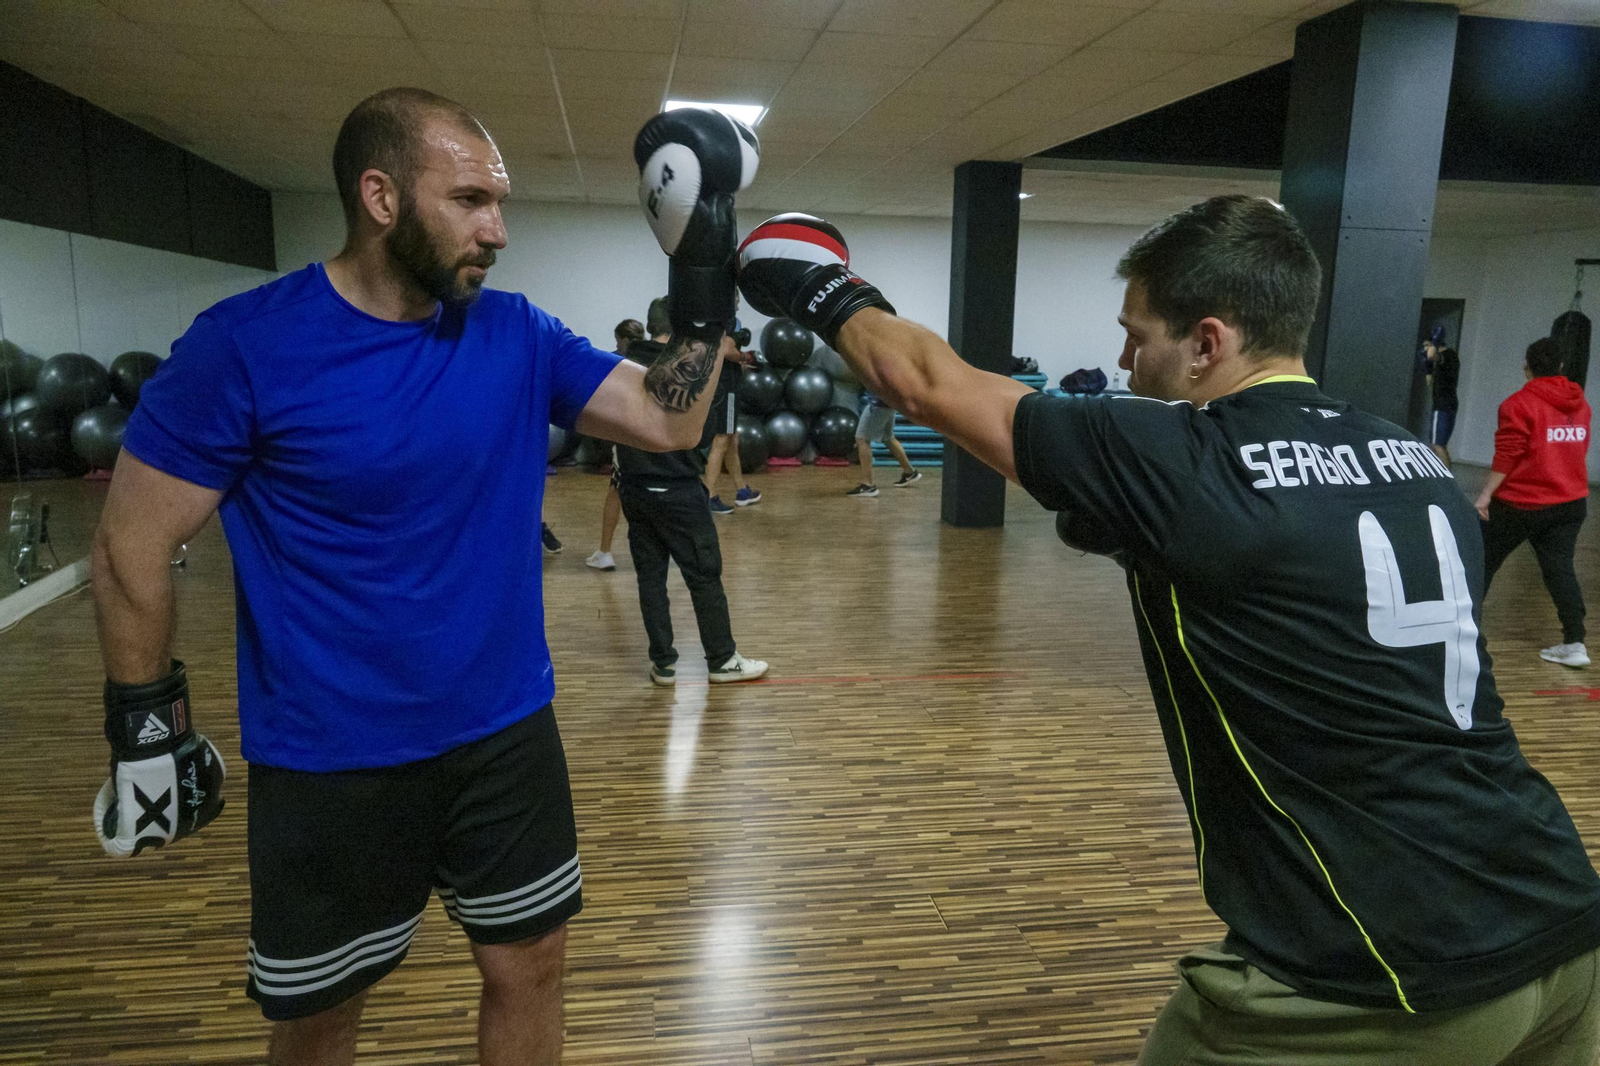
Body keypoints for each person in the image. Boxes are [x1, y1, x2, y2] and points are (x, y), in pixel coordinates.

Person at [736, 199, 1600, 1065]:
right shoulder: (1417, 461)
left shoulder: (1187, 460)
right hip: (1562, 922)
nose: (1121, 359)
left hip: (1380, 974)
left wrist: (815, 283)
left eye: (1136, 334)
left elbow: (921, 380)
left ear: (1207, 343)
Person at [89, 91, 754, 1065]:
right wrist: (147, 728)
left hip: (505, 737)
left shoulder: (515, 332)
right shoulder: (245, 347)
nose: (499, 229)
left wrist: (701, 275)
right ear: (381, 197)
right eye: (471, 200)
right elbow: (128, 545)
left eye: (501, 201)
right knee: (320, 1017)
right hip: (330, 760)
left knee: (531, 967)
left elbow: (667, 420)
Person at [612, 332, 769, 685]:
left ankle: (663, 663)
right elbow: (707, 432)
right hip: (678, 490)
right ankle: (722, 659)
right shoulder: (688, 371)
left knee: (650, 579)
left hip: (635, 490)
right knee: (704, 576)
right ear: (675, 330)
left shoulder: (619, 368)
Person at [1475, 336, 1592, 668]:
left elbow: (1508, 454)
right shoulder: (1581, 404)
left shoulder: (1518, 404)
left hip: (1519, 504)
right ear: (1559, 367)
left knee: (1480, 562)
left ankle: (1461, 631)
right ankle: (1574, 644)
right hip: (1569, 504)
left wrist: (1485, 495)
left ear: (1527, 367)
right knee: (1560, 571)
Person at [586, 319, 646, 572]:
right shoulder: (655, 360)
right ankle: (653, 552)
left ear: (622, 339)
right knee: (646, 492)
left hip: (627, 438)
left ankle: (605, 552)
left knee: (617, 490)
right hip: (652, 438)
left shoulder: (615, 364)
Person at [703, 316, 763, 515]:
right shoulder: (728, 321)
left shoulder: (710, 321)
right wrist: (745, 358)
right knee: (721, 440)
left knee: (731, 439)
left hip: (718, 384)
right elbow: (726, 350)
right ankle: (709, 497)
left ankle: (742, 490)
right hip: (726, 388)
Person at [845, 390, 921, 497]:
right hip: (888, 402)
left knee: (862, 439)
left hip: (878, 404)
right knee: (888, 438)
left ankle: (868, 485)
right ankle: (910, 473)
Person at [1422, 331, 1460, 467]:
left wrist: (1432, 347)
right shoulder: (1451, 357)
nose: (1425, 350)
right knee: (1439, 444)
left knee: (1437, 445)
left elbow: (1432, 355)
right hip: (1449, 403)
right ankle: (1444, 475)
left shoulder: (1446, 355)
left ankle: (1447, 479)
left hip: (1442, 405)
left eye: (1427, 345)